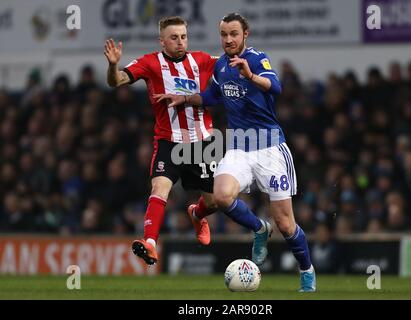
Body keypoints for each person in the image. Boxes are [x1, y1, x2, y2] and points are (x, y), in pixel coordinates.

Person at [155, 13, 316, 292]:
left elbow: (275, 87)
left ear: (245, 35)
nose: (228, 39)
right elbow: (212, 97)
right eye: (224, 35)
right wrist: (186, 98)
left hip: (269, 148)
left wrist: (250, 75)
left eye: (233, 34)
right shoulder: (220, 66)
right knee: (221, 195)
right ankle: (259, 229)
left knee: (286, 224)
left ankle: (306, 270)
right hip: (239, 146)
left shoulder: (256, 59)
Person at [104, 16, 271, 266]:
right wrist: (113, 65)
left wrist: (255, 68)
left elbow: (231, 64)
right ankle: (150, 242)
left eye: (183, 37)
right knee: (160, 187)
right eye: (174, 37)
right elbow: (116, 81)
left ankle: (197, 213)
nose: (180, 42)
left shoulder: (202, 60)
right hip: (168, 142)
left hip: (203, 143)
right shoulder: (150, 63)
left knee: (215, 201)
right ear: (162, 41)